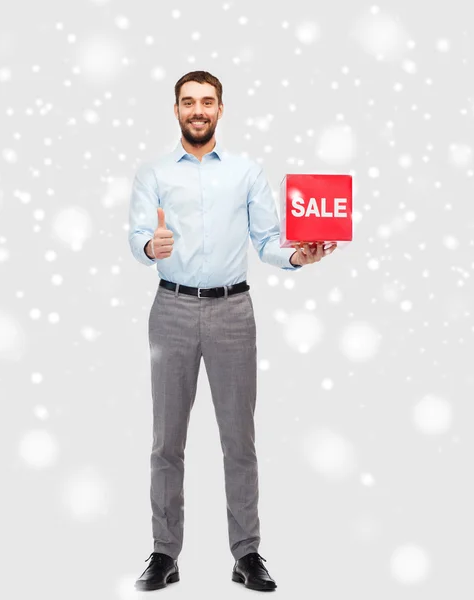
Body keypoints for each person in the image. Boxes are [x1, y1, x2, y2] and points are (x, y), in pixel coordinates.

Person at [129, 70, 336, 592]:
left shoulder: (246, 171)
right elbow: (136, 236)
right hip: (171, 311)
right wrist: (152, 247)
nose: (197, 110)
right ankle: (163, 553)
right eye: (188, 102)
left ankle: (247, 555)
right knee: (165, 442)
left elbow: (267, 240)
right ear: (175, 109)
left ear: (220, 109)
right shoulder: (152, 173)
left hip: (233, 313)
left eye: (207, 102)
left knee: (238, 440)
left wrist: (296, 254)